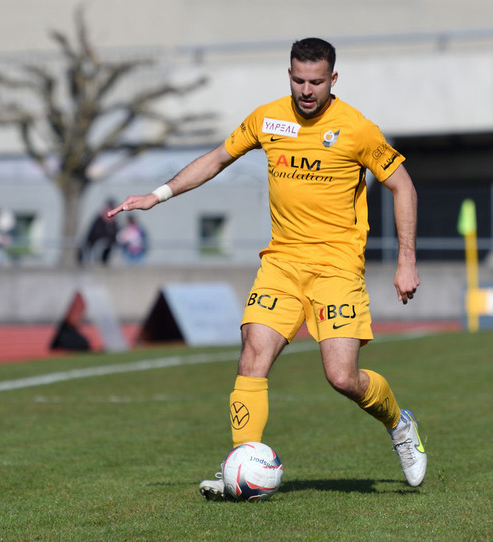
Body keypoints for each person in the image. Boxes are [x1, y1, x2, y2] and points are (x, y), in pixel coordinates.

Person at [109, 37, 426, 500]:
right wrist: (157, 195)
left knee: (342, 377)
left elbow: (403, 187)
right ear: (290, 75)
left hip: (337, 268)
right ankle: (241, 466)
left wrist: (406, 259)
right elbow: (218, 159)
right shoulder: (269, 118)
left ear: (332, 79)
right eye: (298, 79)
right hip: (281, 263)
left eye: (316, 81)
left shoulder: (357, 129)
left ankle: (399, 423)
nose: (306, 90)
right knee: (252, 359)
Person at [79, 199, 120, 265]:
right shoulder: (99, 220)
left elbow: (116, 232)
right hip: (94, 244)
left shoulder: (114, 222)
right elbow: (97, 232)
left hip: (106, 246)